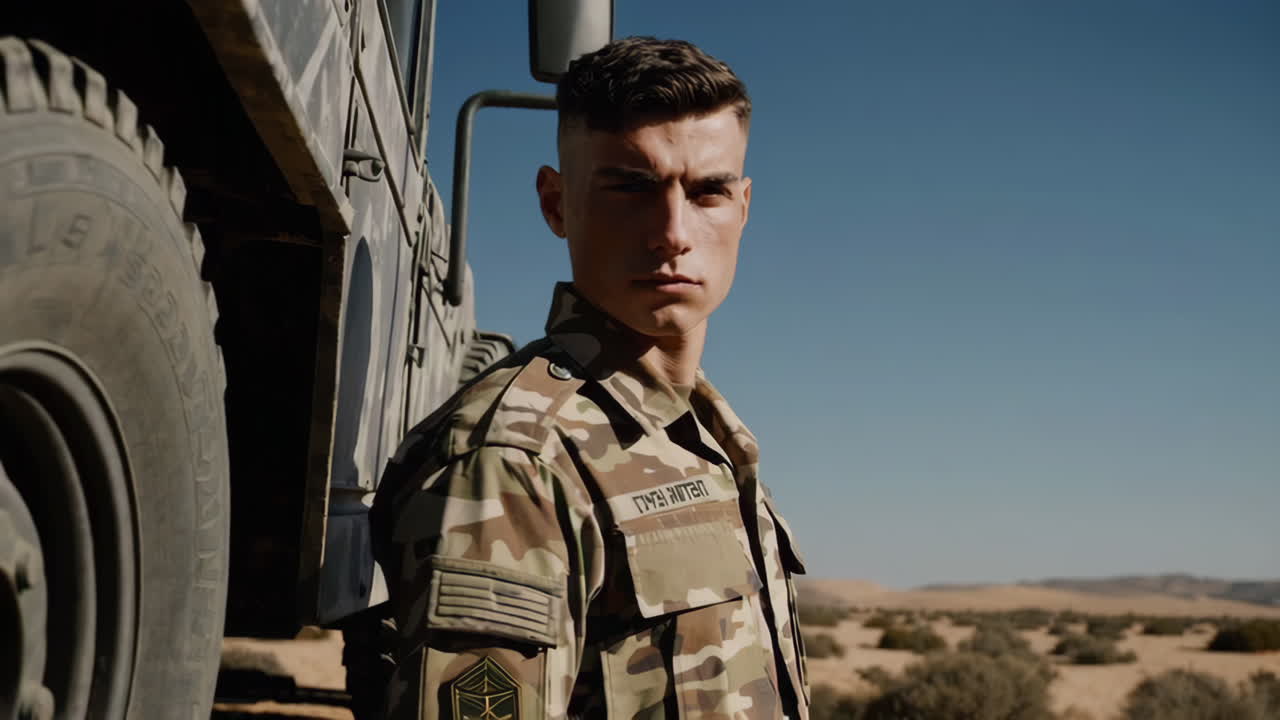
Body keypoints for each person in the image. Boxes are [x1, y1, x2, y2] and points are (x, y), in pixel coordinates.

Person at [372, 36, 810, 720]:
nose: (672, 231)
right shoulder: (512, 463)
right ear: (556, 203)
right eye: (631, 188)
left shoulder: (703, 435)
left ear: (744, 207)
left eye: (708, 192)